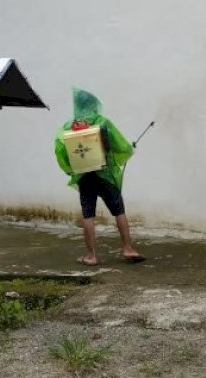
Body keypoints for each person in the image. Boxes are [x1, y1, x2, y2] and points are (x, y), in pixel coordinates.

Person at [54, 88, 145, 266]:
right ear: (93, 105)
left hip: (84, 177)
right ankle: (128, 248)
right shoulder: (102, 123)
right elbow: (119, 145)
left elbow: (59, 150)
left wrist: (70, 170)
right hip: (105, 175)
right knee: (119, 211)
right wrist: (129, 148)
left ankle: (91, 256)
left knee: (88, 215)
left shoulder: (66, 128)